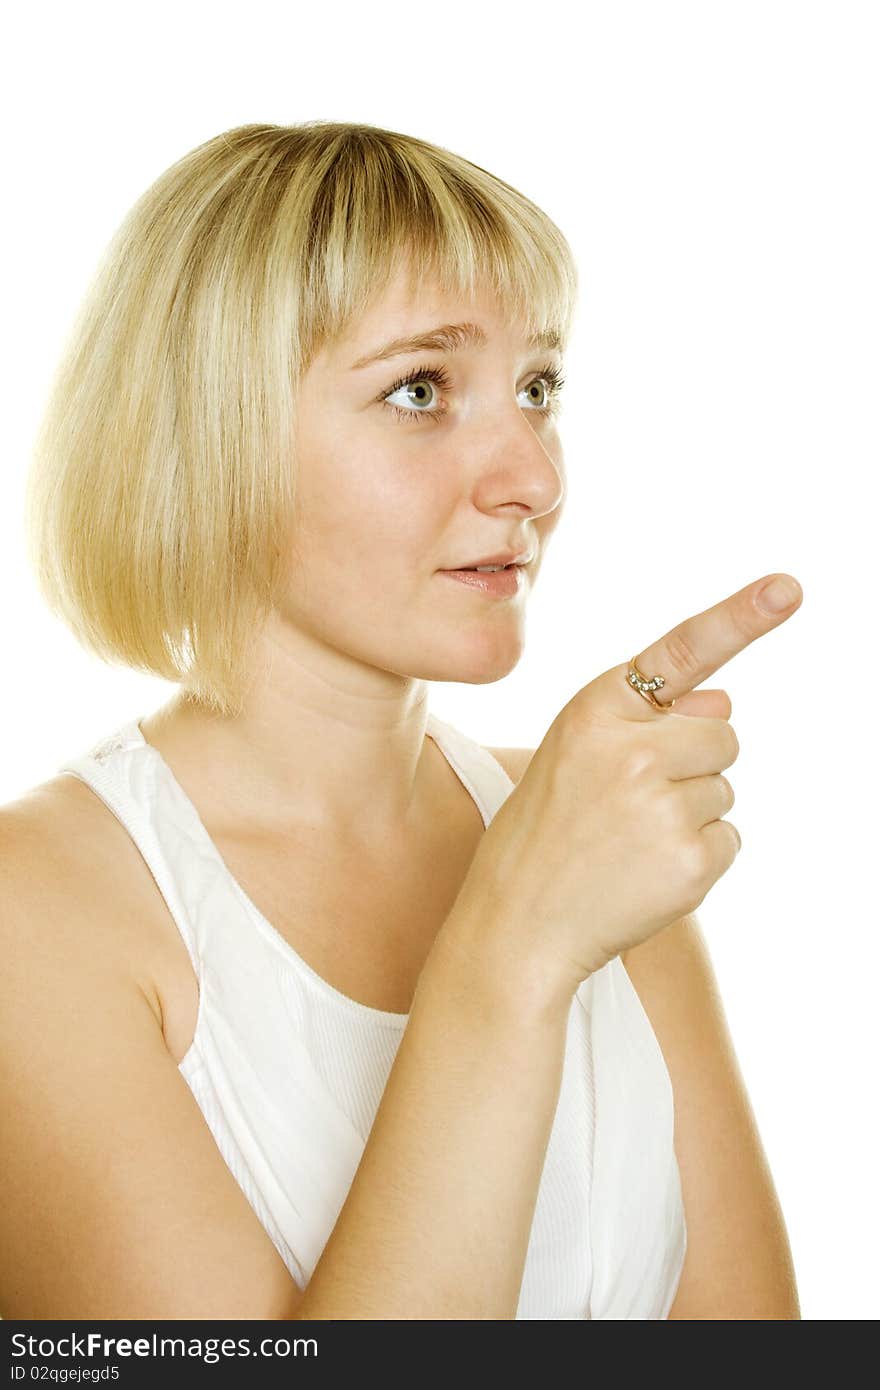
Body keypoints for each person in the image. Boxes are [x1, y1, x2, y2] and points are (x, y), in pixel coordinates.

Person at [0, 120, 800, 1320]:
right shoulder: (39, 914)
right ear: (209, 435)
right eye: (420, 390)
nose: (531, 473)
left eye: (537, 387)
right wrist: (515, 942)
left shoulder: (589, 840)